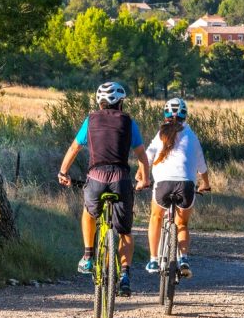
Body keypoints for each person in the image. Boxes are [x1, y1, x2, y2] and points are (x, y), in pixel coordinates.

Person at [58, 82, 150, 297]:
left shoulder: (90, 120)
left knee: (89, 212)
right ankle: (125, 276)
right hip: (121, 178)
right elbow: (142, 156)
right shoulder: (128, 122)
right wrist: (144, 179)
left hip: (96, 177)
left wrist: (63, 172)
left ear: (99, 102)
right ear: (120, 102)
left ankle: (88, 257)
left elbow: (74, 148)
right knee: (125, 232)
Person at [143, 98, 210, 279]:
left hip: (163, 185)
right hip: (186, 185)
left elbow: (147, 157)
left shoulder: (160, 134)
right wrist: (206, 184)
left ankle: (154, 259)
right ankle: (184, 259)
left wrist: (141, 177)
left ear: (165, 114)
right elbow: (201, 164)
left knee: (156, 217)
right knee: (183, 224)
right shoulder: (191, 135)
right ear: (185, 115)